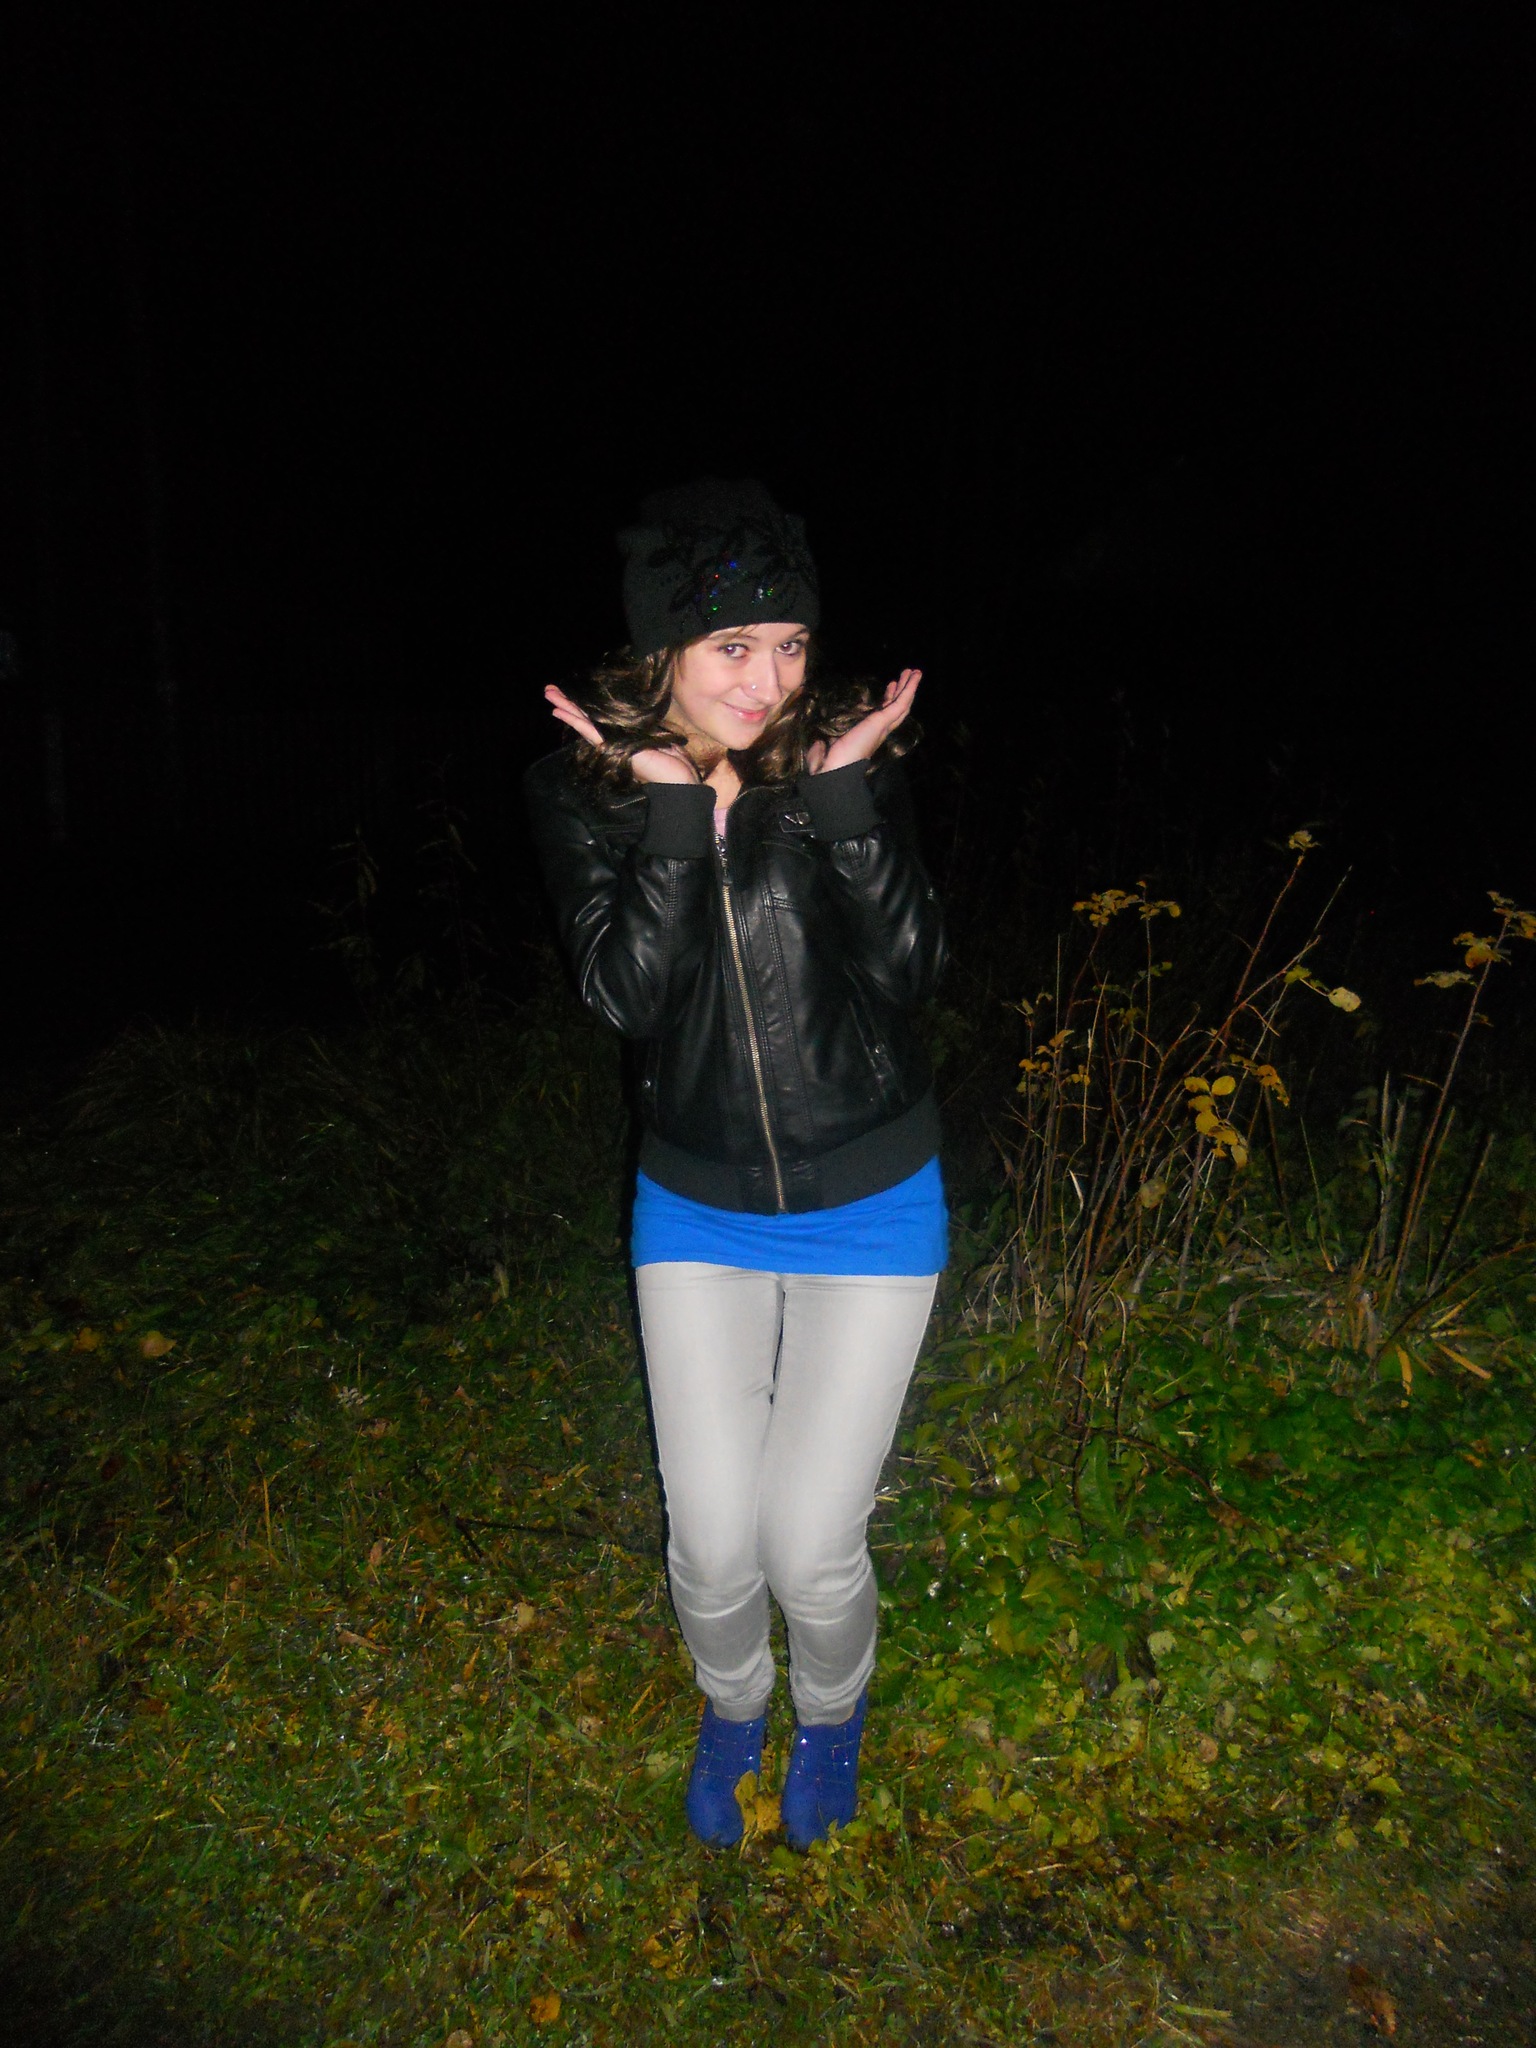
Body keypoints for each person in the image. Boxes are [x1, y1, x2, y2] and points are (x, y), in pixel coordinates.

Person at [524, 478, 946, 1850]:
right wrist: (670, 823)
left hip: (872, 1202)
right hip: (696, 1210)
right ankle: (733, 1704)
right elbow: (626, 997)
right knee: (711, 1543)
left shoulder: (833, 772)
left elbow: (916, 970)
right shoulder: (583, 791)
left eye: (792, 644)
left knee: (810, 1545)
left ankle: (832, 1714)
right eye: (732, 647)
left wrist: (848, 805)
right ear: (663, 651)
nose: (769, 682)